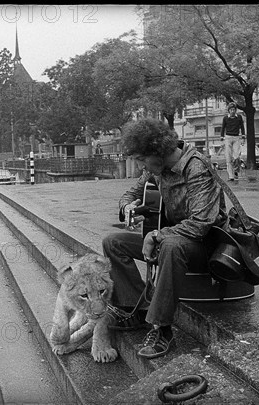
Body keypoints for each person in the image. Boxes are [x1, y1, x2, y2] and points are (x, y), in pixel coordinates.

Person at [102, 118, 226, 359]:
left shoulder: (197, 167)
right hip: (171, 240)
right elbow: (130, 194)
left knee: (169, 245)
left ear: (157, 151)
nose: (140, 167)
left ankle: (161, 328)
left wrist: (157, 234)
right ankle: (136, 310)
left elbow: (201, 224)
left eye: (141, 160)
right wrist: (128, 207)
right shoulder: (155, 168)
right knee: (112, 242)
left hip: (204, 246)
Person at [220, 102, 246, 181]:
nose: (232, 111)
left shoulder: (239, 117)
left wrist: (243, 137)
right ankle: (231, 176)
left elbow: (242, 127)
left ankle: (236, 170)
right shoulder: (225, 118)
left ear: (235, 110)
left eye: (234, 109)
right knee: (228, 157)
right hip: (228, 138)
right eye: (231, 110)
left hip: (236, 138)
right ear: (229, 110)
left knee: (236, 156)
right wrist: (222, 139)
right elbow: (223, 128)